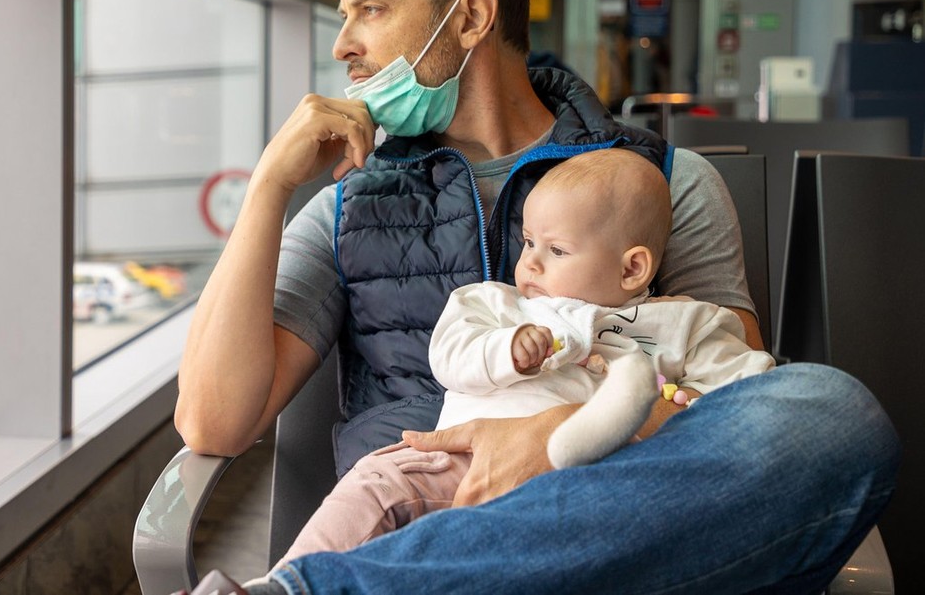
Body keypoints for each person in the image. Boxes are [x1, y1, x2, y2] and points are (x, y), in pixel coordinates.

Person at [172, 0, 899, 595]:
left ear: (471, 17)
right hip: (418, 528)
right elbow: (213, 419)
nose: (343, 45)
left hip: (611, 535)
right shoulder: (346, 211)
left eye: (371, 9)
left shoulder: (662, 183)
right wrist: (269, 184)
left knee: (833, 412)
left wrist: (554, 436)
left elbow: (734, 411)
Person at [270, 147, 777, 567]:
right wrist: (506, 351)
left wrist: (687, 406)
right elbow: (448, 355)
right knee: (376, 486)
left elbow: (754, 393)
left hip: (604, 487)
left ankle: (618, 410)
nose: (528, 261)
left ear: (632, 269)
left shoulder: (684, 321)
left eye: (556, 250)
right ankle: (289, 585)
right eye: (528, 241)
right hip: (462, 464)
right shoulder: (495, 304)